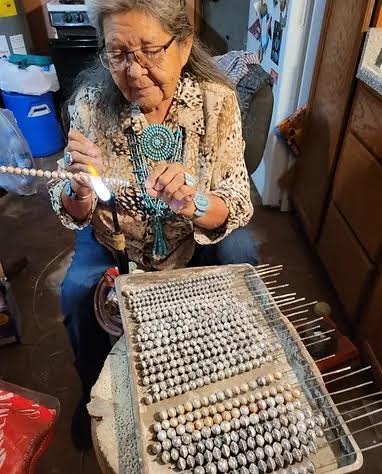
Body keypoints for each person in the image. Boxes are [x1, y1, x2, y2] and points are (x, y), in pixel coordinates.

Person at [48, 0, 257, 449]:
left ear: (183, 46)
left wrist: (194, 200)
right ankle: (92, 391)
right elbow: (68, 206)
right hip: (113, 241)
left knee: (241, 254)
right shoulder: (89, 103)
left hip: (191, 239)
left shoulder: (216, 104)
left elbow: (236, 200)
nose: (135, 71)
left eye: (150, 51)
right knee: (77, 293)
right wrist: (79, 191)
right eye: (119, 54)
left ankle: (221, 371)